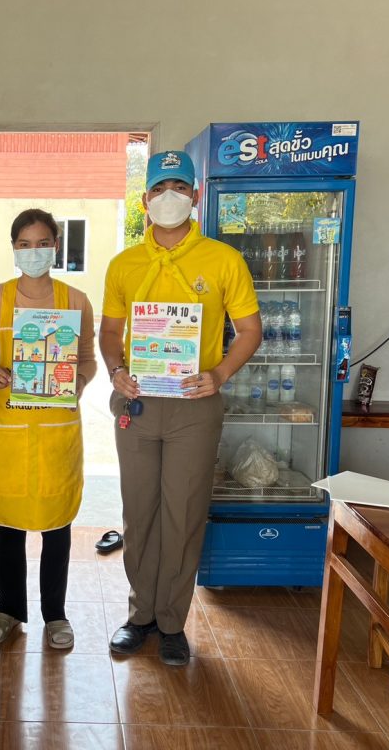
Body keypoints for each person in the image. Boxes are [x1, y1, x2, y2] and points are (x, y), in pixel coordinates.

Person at [100, 151, 260, 666]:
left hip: (195, 405)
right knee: (139, 512)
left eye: (179, 186)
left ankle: (171, 622)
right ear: (144, 199)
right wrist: (115, 369)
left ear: (196, 195)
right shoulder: (124, 264)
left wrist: (219, 375)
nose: (168, 196)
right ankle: (140, 614)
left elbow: (249, 330)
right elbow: (110, 332)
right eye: (158, 187)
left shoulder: (223, 260)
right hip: (139, 404)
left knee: (184, 514)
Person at [0, 209, 97, 649]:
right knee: (8, 526)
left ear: (55, 247)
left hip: (57, 431)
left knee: (56, 525)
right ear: (14, 249)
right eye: (24, 244)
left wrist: (77, 383)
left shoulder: (76, 301)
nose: (34, 251)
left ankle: (55, 614)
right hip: (8, 429)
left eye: (42, 243)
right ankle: (9, 610)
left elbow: (87, 360)